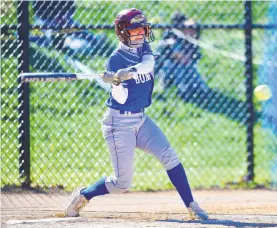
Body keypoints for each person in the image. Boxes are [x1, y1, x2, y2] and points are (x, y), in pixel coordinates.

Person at [65, 8, 209, 221]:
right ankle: (84, 195)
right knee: (121, 183)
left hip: (140, 119)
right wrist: (116, 81)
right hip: (118, 123)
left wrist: (130, 72)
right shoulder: (115, 61)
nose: (141, 33)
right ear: (123, 32)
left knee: (169, 156)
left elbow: (149, 65)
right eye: (135, 30)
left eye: (142, 29)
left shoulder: (143, 48)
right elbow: (121, 99)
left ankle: (192, 205)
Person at [155, 12, 247, 123]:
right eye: (189, 28)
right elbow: (171, 55)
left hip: (186, 69)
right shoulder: (172, 37)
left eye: (194, 29)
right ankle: (184, 92)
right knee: (178, 67)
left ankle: (200, 91)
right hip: (169, 71)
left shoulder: (192, 41)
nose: (193, 31)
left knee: (190, 71)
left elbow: (194, 58)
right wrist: (181, 56)